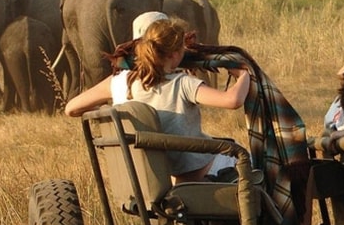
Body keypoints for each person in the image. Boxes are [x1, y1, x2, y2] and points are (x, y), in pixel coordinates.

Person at [64, 18, 254, 183]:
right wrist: (244, 73)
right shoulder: (183, 84)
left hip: (146, 179)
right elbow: (233, 100)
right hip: (194, 175)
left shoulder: (118, 83)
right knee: (249, 159)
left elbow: (71, 109)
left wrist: (106, 112)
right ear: (175, 54)